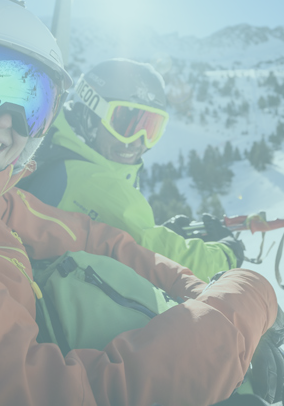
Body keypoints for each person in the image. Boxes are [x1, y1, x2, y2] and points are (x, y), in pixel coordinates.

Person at [0, 0, 279, 406]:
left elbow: (93, 236)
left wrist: (191, 286)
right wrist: (242, 303)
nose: (5, 120)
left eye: (33, 102)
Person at [20, 58, 246, 281]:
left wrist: (151, 230)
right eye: (125, 124)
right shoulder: (94, 183)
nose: (138, 141)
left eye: (150, 128)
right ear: (91, 112)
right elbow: (166, 261)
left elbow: (133, 237)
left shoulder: (50, 142)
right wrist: (226, 255)